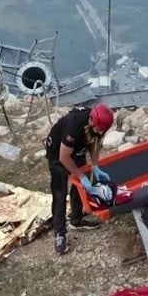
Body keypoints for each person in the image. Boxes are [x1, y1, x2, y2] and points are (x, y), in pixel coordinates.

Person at [44, 103, 114, 254]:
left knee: (79, 186)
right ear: (91, 121)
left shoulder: (99, 125)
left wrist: (95, 165)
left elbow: (95, 143)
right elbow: (64, 157)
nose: (100, 132)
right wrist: (81, 176)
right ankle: (59, 233)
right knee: (60, 192)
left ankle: (76, 218)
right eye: (98, 129)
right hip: (58, 152)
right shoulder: (74, 125)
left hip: (77, 150)